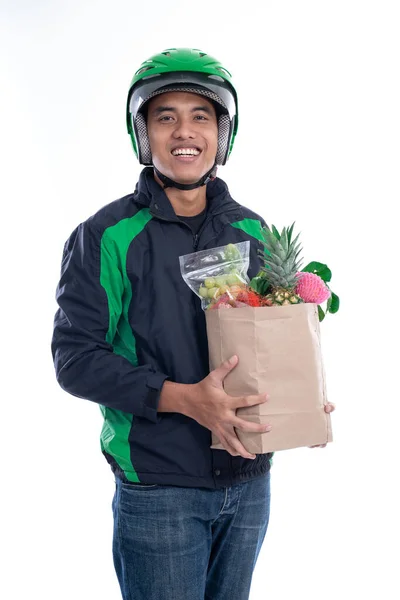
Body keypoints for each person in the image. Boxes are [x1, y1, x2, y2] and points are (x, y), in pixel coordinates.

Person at [51, 47, 335, 600]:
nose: (185, 131)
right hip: (159, 487)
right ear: (143, 134)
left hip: (250, 482)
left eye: (201, 115)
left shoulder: (255, 231)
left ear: (223, 133)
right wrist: (185, 399)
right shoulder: (104, 236)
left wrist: (302, 398)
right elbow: (75, 359)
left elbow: (273, 344)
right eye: (166, 116)